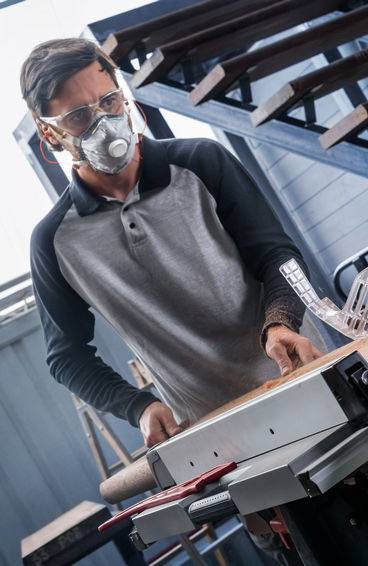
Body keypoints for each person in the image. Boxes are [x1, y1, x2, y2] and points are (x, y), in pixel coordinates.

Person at [21, 38, 324, 448]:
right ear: (49, 133)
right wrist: (138, 406)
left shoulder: (202, 162)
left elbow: (279, 257)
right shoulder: (54, 242)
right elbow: (66, 357)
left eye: (108, 102)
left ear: (124, 100)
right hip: (215, 433)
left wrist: (281, 321)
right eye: (77, 117)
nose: (102, 122)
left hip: (304, 375)